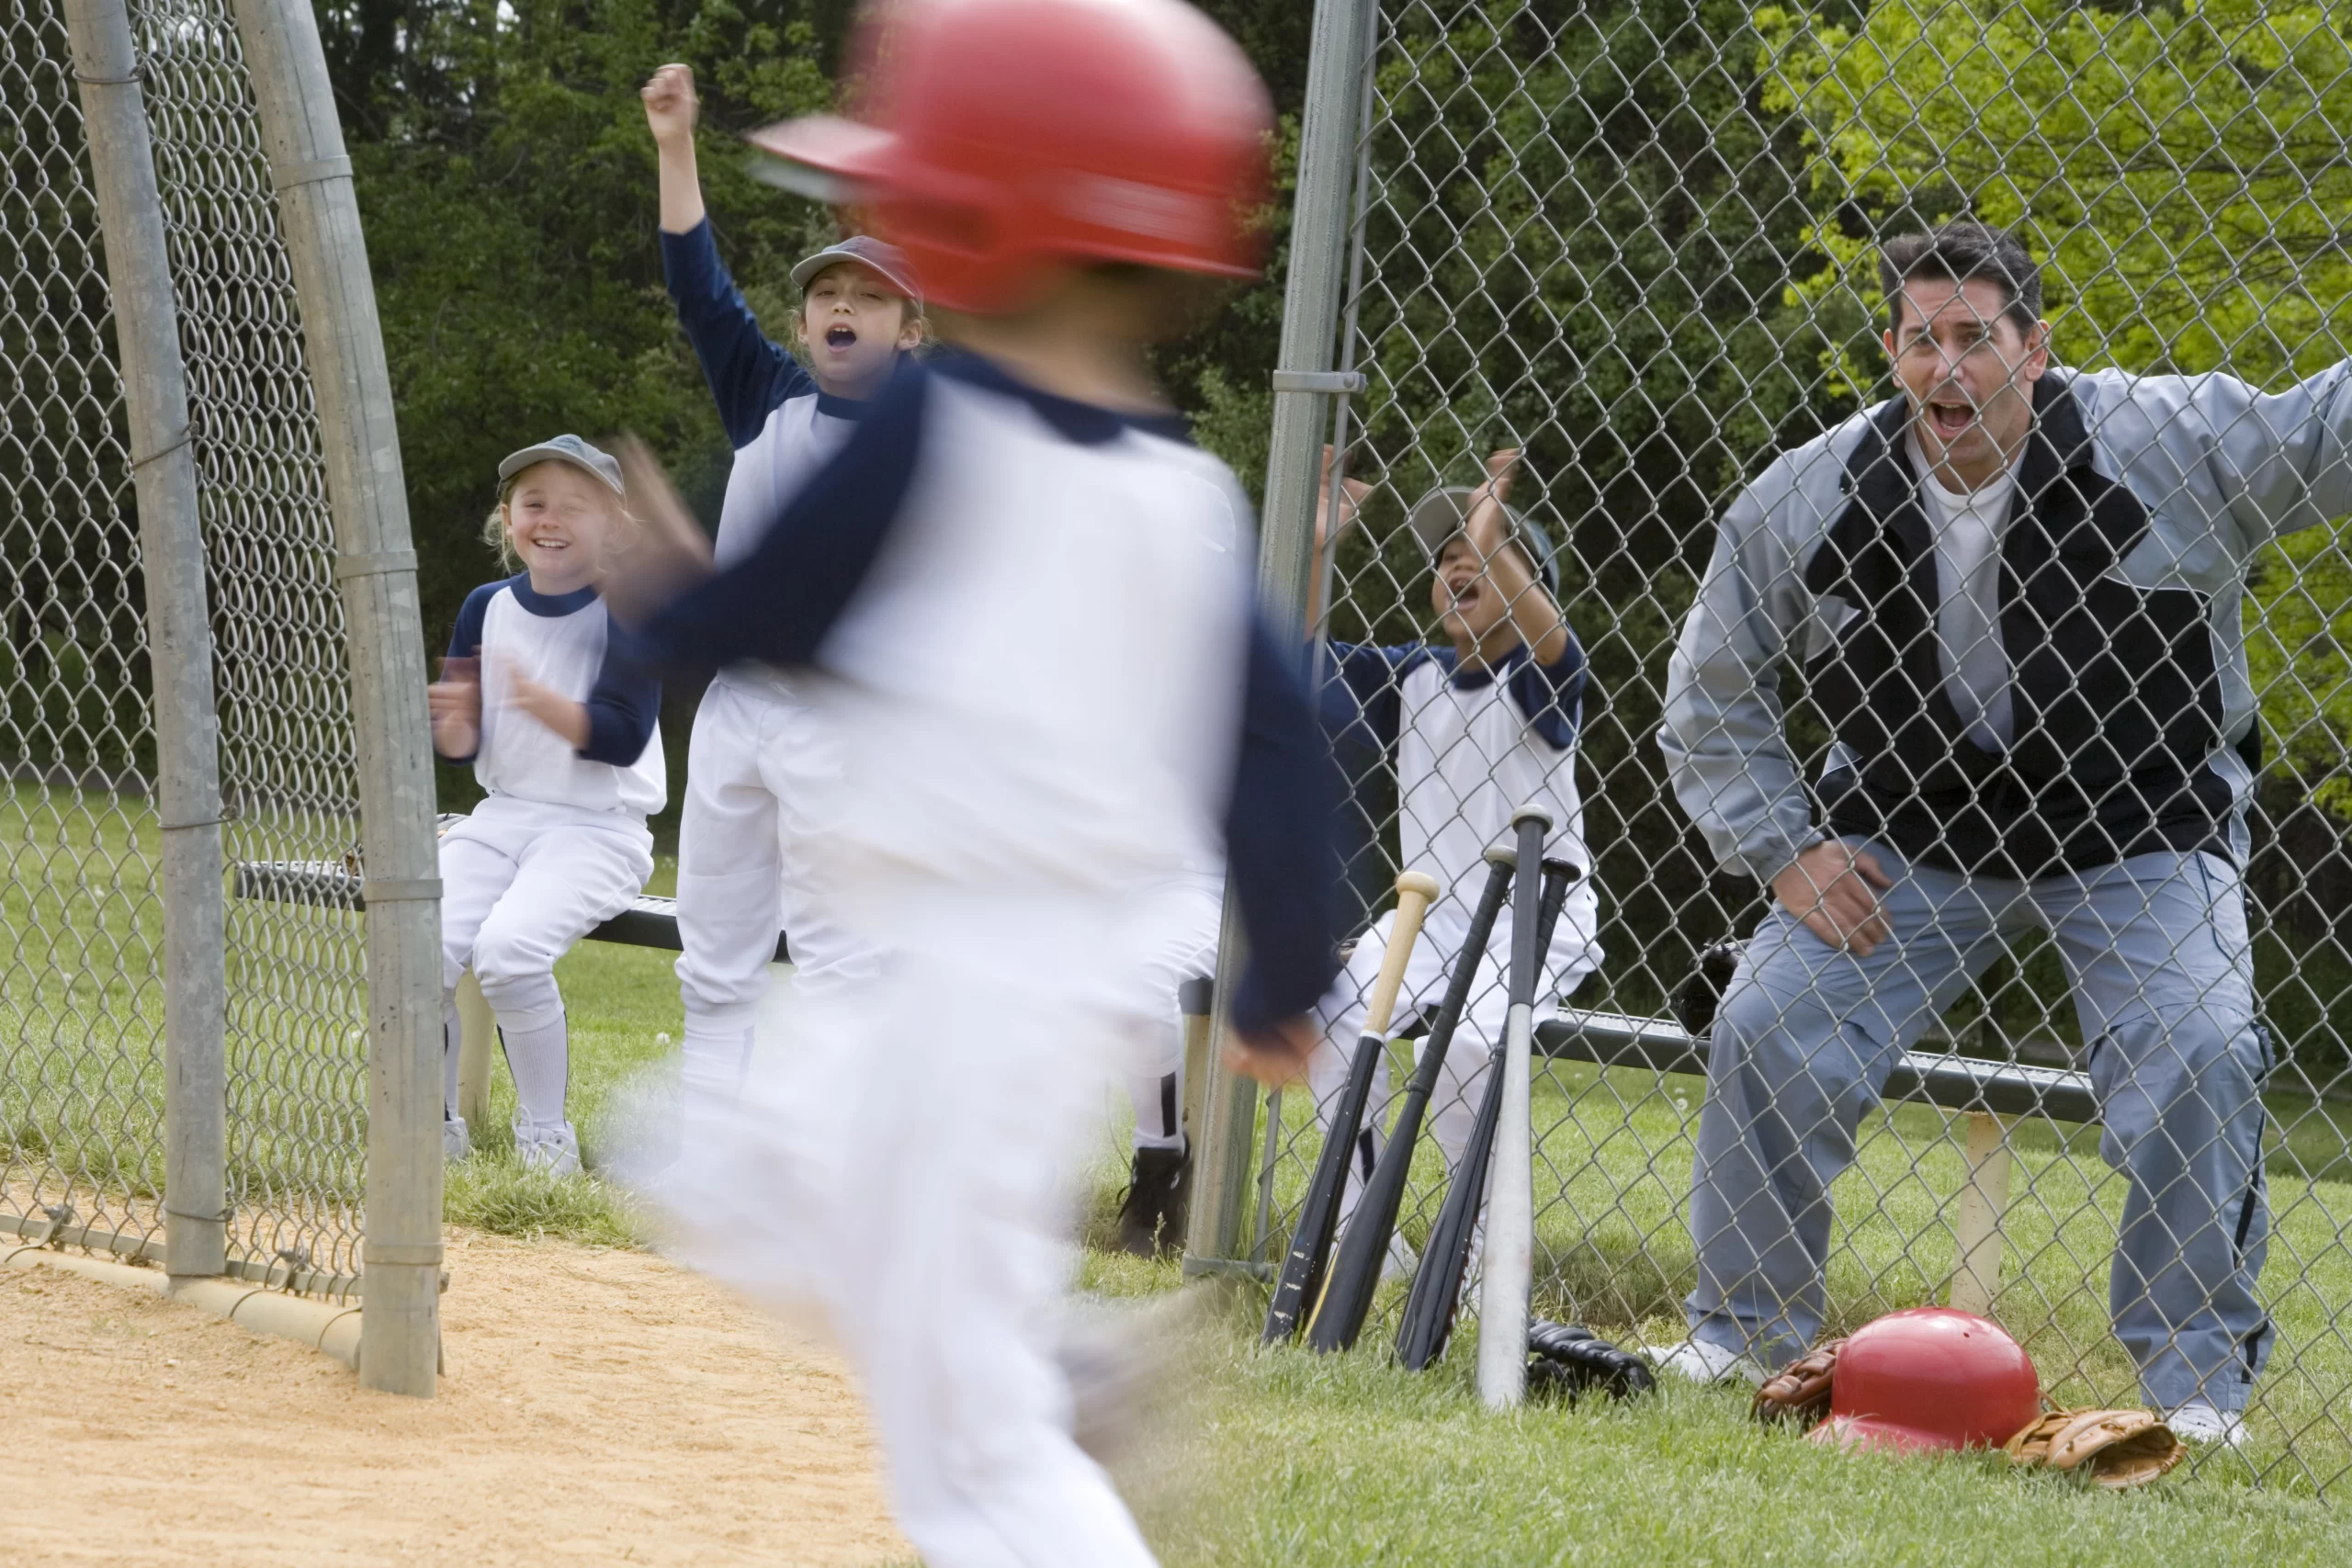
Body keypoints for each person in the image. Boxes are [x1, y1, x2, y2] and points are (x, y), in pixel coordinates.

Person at [605, 2, 1334, 1561]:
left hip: (980, 976)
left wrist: (668, 592)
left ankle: (1032, 1405)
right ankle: (1052, 1359)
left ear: (980, 216)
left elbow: (781, 610)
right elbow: (1274, 743)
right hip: (1000, 973)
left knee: (969, 1459)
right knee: (719, 1166)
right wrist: (1290, 969)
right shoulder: (1183, 490)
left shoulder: (939, 418)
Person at [1657, 220, 2308, 1447]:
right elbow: (1713, 697)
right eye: (1920, 339)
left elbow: (2321, 437)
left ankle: (2193, 1386)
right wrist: (1786, 849)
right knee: (1767, 1020)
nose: (1946, 367)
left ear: (2035, 347)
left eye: (1974, 337)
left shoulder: (2167, 440)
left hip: (2140, 828)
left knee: (2205, 1049)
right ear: (1893, 351)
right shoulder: (1808, 493)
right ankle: (1740, 1329)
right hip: (1909, 837)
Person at [642, 62, 922, 1134]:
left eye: (868, 294)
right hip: (737, 706)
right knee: (714, 934)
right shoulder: (768, 400)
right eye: (824, 294)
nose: (840, 304)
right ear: (806, 325)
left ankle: (834, 1147)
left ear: (908, 330)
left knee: (839, 946)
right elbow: (698, 288)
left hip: (844, 716)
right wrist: (676, 143)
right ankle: (709, 1136)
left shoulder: (926, 435)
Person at [1306, 446, 1604, 1263]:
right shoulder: (1413, 675)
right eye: (1445, 562)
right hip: (1429, 919)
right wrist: (1316, 544)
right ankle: (1359, 1230)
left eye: (1480, 559)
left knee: (1472, 1050)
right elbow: (1299, 655)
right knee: (1329, 1023)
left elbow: (1555, 641)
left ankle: (1475, 1256)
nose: (1457, 570)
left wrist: (1493, 532)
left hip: (1532, 917)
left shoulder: (1540, 678)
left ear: (1522, 582)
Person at [428, 435, 665, 1175]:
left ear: (615, 528)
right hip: (503, 817)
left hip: (598, 828)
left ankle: (546, 1140)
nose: (551, 519)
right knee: (417, 951)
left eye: (576, 506)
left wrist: (531, 697)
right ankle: (433, 1131)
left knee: (508, 953)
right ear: (508, 518)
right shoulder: (485, 606)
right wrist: (456, 723)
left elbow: (621, 736)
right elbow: (462, 748)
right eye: (534, 504)